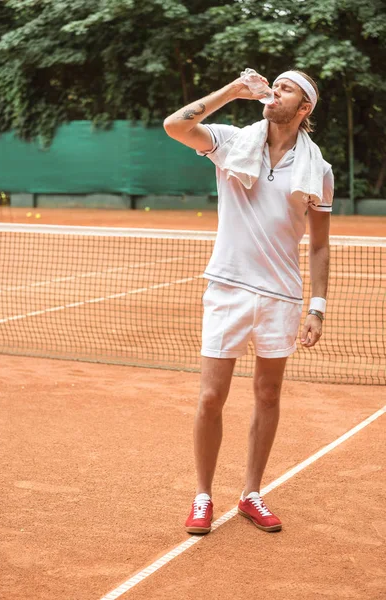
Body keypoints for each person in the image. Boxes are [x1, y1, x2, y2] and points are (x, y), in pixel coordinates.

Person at [163, 69, 333, 534]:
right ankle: (203, 496)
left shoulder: (319, 170)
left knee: (267, 395)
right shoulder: (232, 141)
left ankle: (250, 494)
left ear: (304, 109)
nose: (274, 91)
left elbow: (318, 245)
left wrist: (316, 306)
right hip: (228, 288)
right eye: (272, 85)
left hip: (281, 295)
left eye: (287, 89)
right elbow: (175, 126)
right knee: (211, 397)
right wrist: (235, 90)